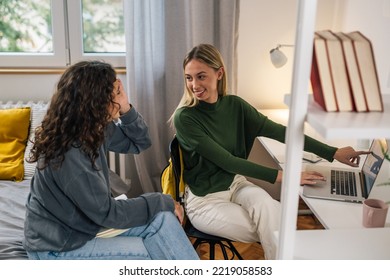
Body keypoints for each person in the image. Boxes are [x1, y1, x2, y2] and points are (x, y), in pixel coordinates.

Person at [171, 44, 370, 259]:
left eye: (201, 76)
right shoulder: (185, 118)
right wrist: (288, 177)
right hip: (205, 200)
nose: (194, 85)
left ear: (219, 73)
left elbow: (280, 131)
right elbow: (228, 161)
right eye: (189, 78)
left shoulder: (235, 106)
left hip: (236, 183)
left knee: (272, 217)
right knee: (276, 229)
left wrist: (333, 152)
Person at [23, 60, 199, 260]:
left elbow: (139, 142)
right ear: (96, 101)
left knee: (163, 219)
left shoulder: (91, 127)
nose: (119, 95)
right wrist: (162, 199)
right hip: (57, 247)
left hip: (81, 227)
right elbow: (107, 213)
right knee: (154, 248)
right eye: (115, 92)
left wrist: (124, 106)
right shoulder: (70, 154)